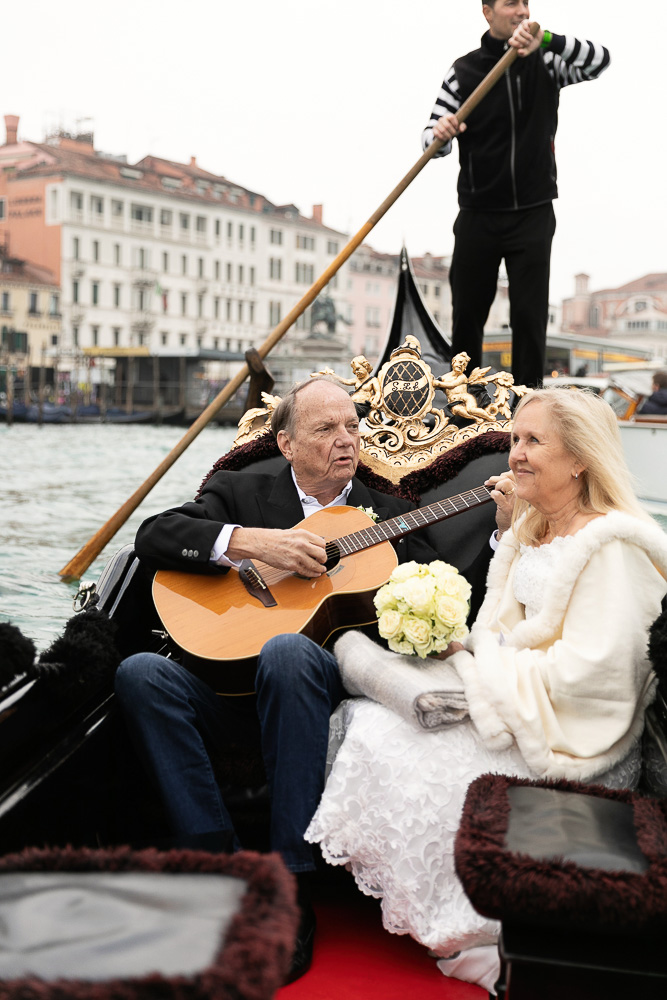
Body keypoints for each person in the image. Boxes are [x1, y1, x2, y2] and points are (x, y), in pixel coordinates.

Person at [114, 375, 486, 983]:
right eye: (325, 429)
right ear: (286, 444)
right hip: (225, 683)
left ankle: (288, 886)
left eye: (351, 426)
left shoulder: (386, 511)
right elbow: (153, 536)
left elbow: (446, 590)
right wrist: (248, 543)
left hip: (312, 689)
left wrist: (498, 530)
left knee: (288, 650)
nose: (346, 440)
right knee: (139, 673)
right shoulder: (239, 491)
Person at [306, 387, 667, 994]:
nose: (515, 455)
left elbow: (594, 678)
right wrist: (471, 656)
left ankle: (473, 926)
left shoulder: (614, 546)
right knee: (370, 722)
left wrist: (478, 673)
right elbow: (495, 634)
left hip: (574, 738)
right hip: (526, 706)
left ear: (579, 459)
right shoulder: (535, 528)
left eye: (532, 442)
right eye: (513, 440)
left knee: (400, 745)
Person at [422, 3, 610, 388]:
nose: (522, 10)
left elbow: (600, 60)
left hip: (533, 211)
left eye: (526, 2)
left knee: (530, 316)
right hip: (478, 212)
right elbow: (429, 142)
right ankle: (463, 406)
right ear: (488, 12)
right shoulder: (463, 72)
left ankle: (529, 402)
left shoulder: (547, 61)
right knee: (467, 317)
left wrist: (547, 39)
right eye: (511, 3)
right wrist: (441, 132)